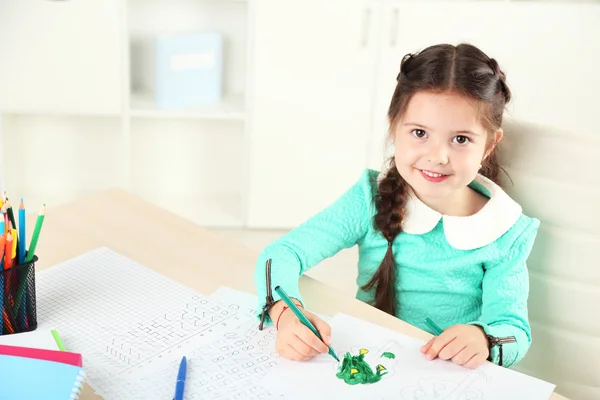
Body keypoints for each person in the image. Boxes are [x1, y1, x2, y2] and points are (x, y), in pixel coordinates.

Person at [254, 43, 540, 369]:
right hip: (367, 365)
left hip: (448, 380)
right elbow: (283, 254)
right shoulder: (368, 198)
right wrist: (286, 314)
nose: (438, 156)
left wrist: (483, 339)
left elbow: (514, 331)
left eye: (460, 139)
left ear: (489, 144)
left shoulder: (505, 230)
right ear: (394, 127)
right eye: (420, 133)